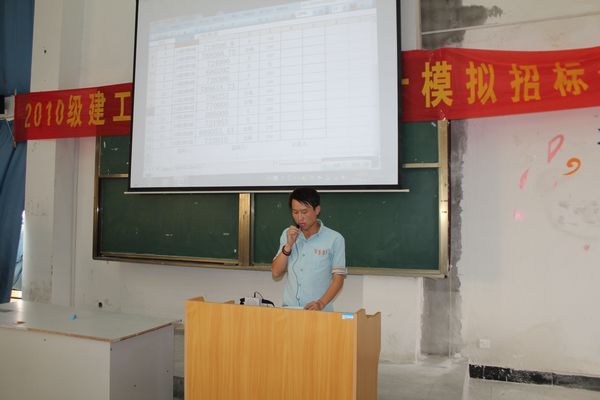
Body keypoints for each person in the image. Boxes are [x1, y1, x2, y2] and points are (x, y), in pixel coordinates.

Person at [271, 188, 346, 311]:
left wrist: (321, 303)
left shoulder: (335, 239)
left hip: (319, 312)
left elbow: (338, 280)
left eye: (304, 212)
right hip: (290, 311)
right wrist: (288, 245)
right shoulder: (287, 234)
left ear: (317, 210)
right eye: (295, 212)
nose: (299, 218)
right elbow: (276, 273)